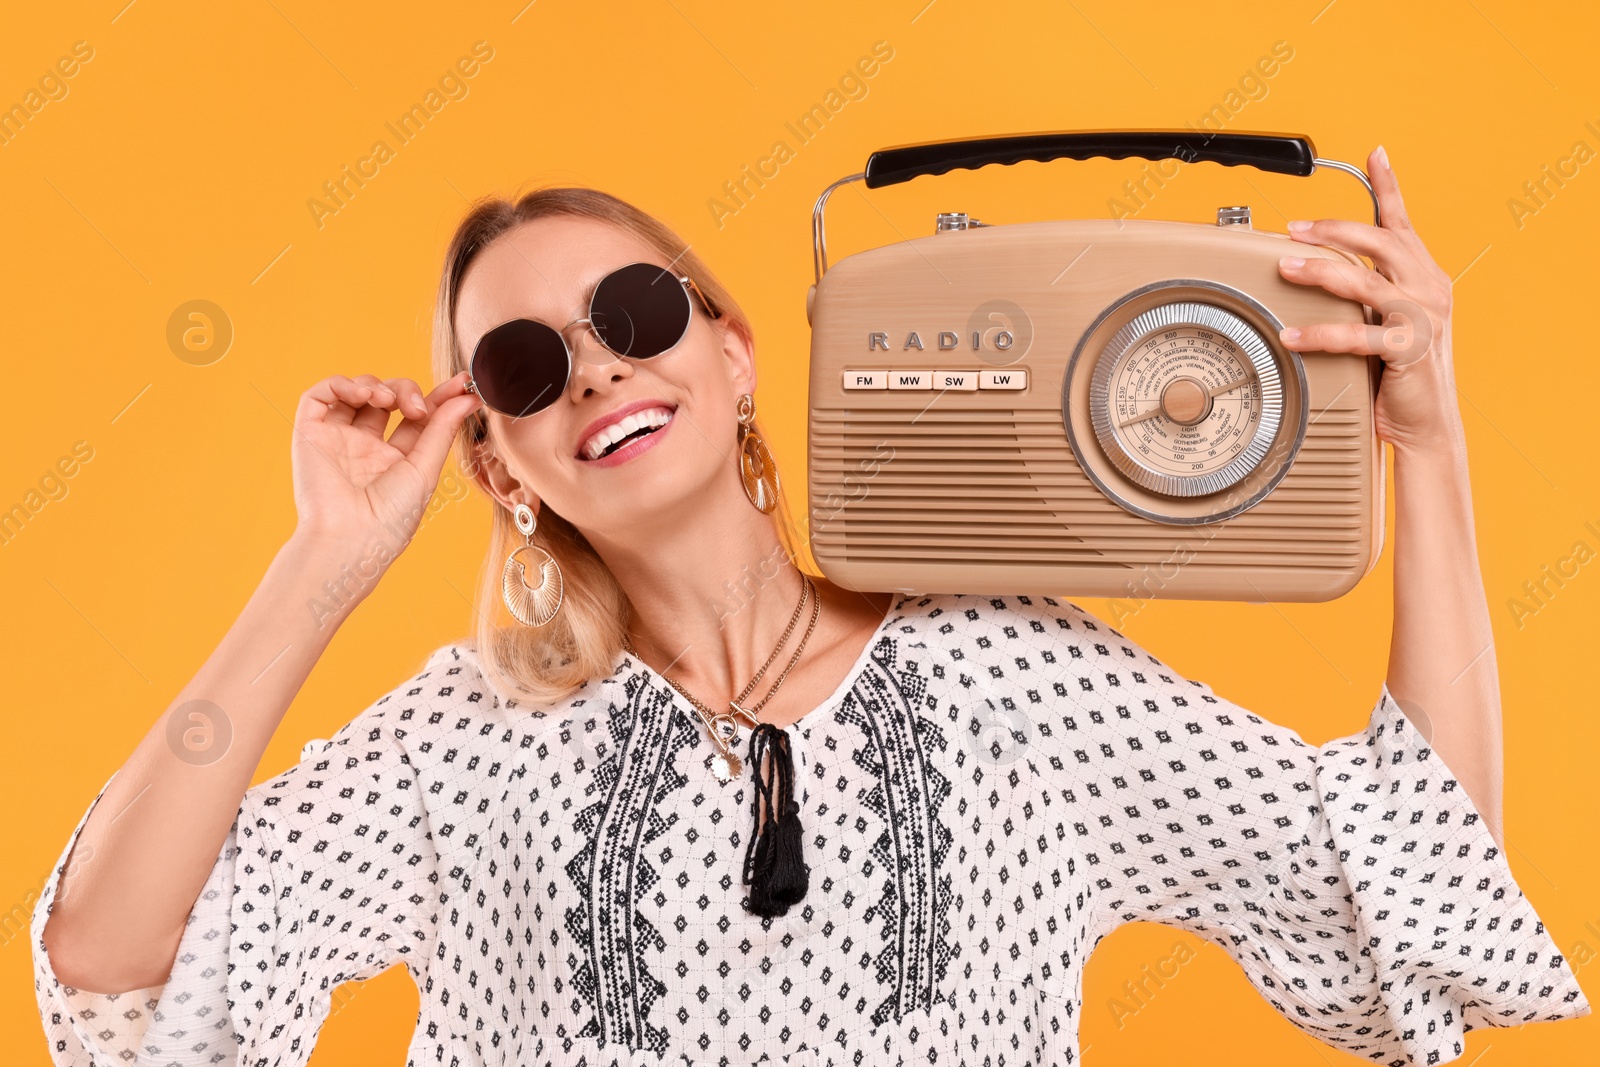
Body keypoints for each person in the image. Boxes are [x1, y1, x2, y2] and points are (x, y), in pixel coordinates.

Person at [31, 148, 1589, 1067]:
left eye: (633, 315)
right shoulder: (466, 741)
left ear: (733, 351)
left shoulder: (1007, 674)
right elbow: (108, 967)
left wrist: (1427, 454)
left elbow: (1413, 884)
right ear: (498, 460)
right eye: (522, 367)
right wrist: (320, 570)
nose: (595, 371)